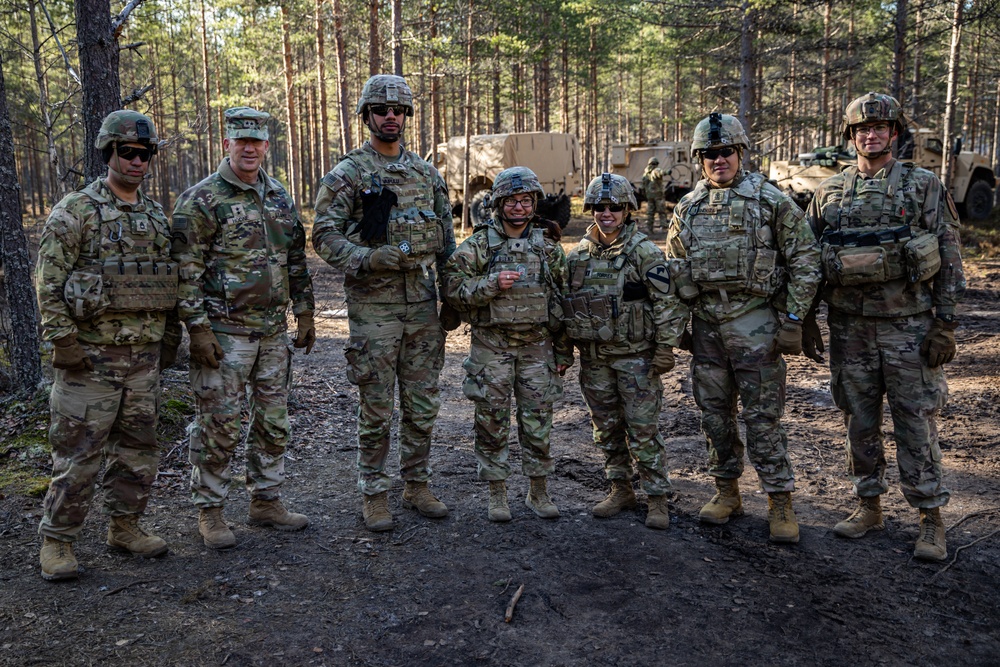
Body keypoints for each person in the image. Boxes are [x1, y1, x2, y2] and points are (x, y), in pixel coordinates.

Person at [804, 92, 966, 561]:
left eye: (879, 128)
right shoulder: (829, 192)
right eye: (861, 129)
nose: (870, 135)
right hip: (849, 328)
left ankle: (930, 517)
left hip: (908, 328)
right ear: (850, 136)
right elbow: (810, 260)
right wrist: (809, 319)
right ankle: (868, 505)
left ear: (894, 133)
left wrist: (946, 323)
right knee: (860, 421)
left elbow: (949, 255)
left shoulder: (923, 185)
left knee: (916, 424)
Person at [35, 110, 178, 580]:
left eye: (145, 153)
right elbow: (48, 282)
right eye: (128, 153)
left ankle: (125, 527)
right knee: (78, 455)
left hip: (143, 360)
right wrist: (62, 340)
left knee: (138, 451)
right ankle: (57, 541)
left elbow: (167, 285)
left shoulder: (156, 216)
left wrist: (172, 340)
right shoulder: (76, 211)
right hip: (90, 361)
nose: (137, 161)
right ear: (108, 153)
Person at [666, 113, 821, 544]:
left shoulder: (771, 201)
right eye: (711, 154)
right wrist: (678, 328)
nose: (719, 160)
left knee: (763, 419)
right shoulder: (688, 207)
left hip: (757, 324)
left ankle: (779, 500)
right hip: (708, 328)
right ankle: (726, 491)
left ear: (741, 153)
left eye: (726, 152)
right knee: (714, 416)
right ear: (700, 159)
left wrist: (793, 319)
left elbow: (806, 260)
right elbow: (676, 271)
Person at [312, 75, 457, 532]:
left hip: (421, 307)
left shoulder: (426, 173)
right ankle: (374, 493)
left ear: (407, 117)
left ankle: (416, 484)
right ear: (367, 116)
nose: (389, 116)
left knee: (422, 402)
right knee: (376, 405)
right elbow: (323, 235)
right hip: (374, 310)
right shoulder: (349, 173)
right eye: (381, 110)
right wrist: (368, 257)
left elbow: (449, 244)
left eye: (397, 110)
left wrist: (452, 298)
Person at [170, 107, 316, 549]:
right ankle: (211, 510)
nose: (250, 148)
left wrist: (306, 312)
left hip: (271, 332)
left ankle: (266, 499)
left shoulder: (278, 195)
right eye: (242, 141)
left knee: (274, 422)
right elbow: (184, 270)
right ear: (227, 144)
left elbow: (294, 259)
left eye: (257, 141)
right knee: (219, 423)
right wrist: (197, 330)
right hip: (224, 333)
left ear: (267, 146)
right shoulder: (202, 199)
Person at [443, 167, 570, 522]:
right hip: (492, 347)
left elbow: (563, 300)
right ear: (499, 203)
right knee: (491, 421)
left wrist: (562, 350)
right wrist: (491, 285)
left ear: (534, 204)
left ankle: (538, 491)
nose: (519, 207)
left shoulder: (548, 246)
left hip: (536, 347)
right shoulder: (479, 245)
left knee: (538, 421)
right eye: (512, 200)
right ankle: (497, 493)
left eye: (525, 200)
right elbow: (451, 289)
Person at [564, 173, 684, 529]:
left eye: (614, 207)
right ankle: (621, 488)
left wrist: (666, 347)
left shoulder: (644, 252)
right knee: (606, 428)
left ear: (628, 210)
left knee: (643, 428)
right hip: (595, 359)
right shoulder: (578, 257)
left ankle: (657, 497)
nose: (606, 213)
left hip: (636, 359)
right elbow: (566, 306)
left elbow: (668, 303)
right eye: (599, 207)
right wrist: (562, 350)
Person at [642, 157, 669, 234]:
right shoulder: (655, 171)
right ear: (656, 164)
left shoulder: (645, 174)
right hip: (658, 196)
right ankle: (664, 229)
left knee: (650, 213)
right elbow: (661, 172)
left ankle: (649, 229)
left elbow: (643, 186)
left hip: (649, 196)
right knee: (662, 212)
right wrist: (668, 172)